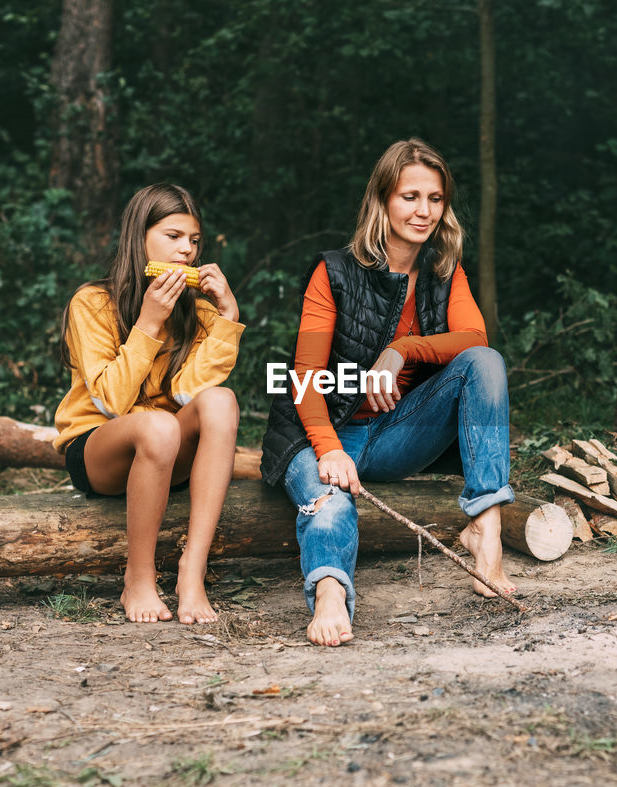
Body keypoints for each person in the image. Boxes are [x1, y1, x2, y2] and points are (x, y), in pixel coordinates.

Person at [260, 139, 515, 647]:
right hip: (322, 432)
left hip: (398, 433)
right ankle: (330, 593)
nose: (424, 211)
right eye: (409, 197)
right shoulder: (333, 272)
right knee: (328, 503)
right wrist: (328, 448)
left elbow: (475, 340)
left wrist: (404, 347)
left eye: (435, 199)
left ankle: (485, 529)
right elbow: (305, 374)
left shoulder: (444, 271)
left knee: (484, 364)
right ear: (382, 200)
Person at [53, 183, 244, 625]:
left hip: (167, 448)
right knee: (157, 426)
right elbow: (110, 401)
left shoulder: (196, 313)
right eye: (173, 237)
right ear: (140, 238)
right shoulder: (93, 303)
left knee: (221, 401)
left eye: (194, 241)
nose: (186, 252)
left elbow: (187, 394)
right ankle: (138, 578)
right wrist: (148, 323)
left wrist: (228, 318)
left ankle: (191, 574)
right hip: (101, 449)